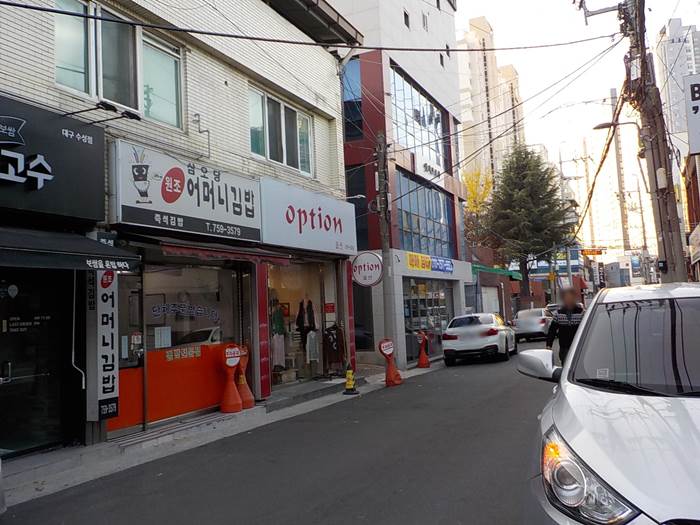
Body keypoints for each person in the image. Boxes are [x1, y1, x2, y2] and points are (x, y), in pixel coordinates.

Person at [546, 288, 584, 364]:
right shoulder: (559, 314)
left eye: (571, 298)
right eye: (566, 298)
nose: (569, 300)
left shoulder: (581, 313)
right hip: (564, 347)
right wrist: (549, 345)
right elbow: (552, 330)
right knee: (566, 365)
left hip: (579, 347)